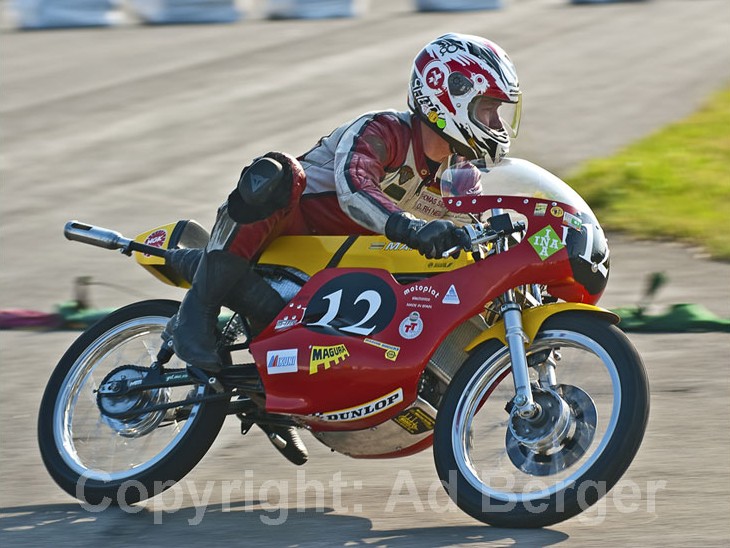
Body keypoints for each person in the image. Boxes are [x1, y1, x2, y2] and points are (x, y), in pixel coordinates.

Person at [164, 32, 521, 463]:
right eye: (488, 108)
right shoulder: (383, 130)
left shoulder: (461, 175)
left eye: (498, 112)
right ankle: (195, 313)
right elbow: (354, 188)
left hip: (336, 276)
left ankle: (283, 394)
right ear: (449, 95)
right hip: (283, 233)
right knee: (278, 172)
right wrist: (410, 228)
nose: (497, 124)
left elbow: (472, 229)